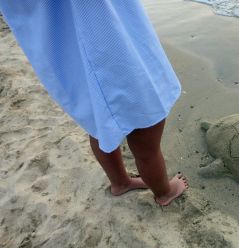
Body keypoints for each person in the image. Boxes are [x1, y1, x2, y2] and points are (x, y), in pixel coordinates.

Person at [0, 0, 188, 205]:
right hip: (104, 39)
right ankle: (164, 193)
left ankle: (121, 183)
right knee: (146, 125)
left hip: (67, 46)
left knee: (99, 122)